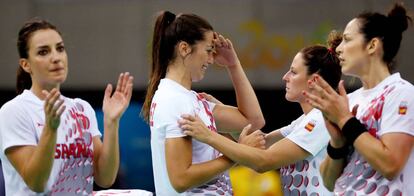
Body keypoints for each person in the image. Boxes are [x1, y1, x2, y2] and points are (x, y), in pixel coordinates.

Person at [179, 31, 343, 195]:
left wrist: (209, 136)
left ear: (313, 81)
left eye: (293, 72)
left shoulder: (321, 119)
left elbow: (264, 161)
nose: (285, 77)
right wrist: (232, 65)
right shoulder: (304, 121)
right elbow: (260, 145)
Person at [0, 18, 133, 195]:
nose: (56, 58)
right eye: (43, 52)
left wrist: (111, 122)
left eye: (60, 49)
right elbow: (37, 183)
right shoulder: (14, 111)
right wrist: (50, 129)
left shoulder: (81, 108)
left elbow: (105, 178)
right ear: (26, 65)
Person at [141, 11, 265, 195]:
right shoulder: (173, 100)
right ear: (184, 49)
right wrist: (238, 153)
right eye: (208, 50)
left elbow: (253, 121)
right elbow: (181, 179)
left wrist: (233, 64)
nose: (211, 59)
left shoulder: (190, 99)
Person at [303, 3, 414, 195]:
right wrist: (337, 143)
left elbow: (391, 165)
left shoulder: (401, 93)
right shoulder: (350, 100)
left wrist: (346, 120)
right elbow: (329, 182)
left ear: (372, 45)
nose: (338, 49)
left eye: (347, 39)